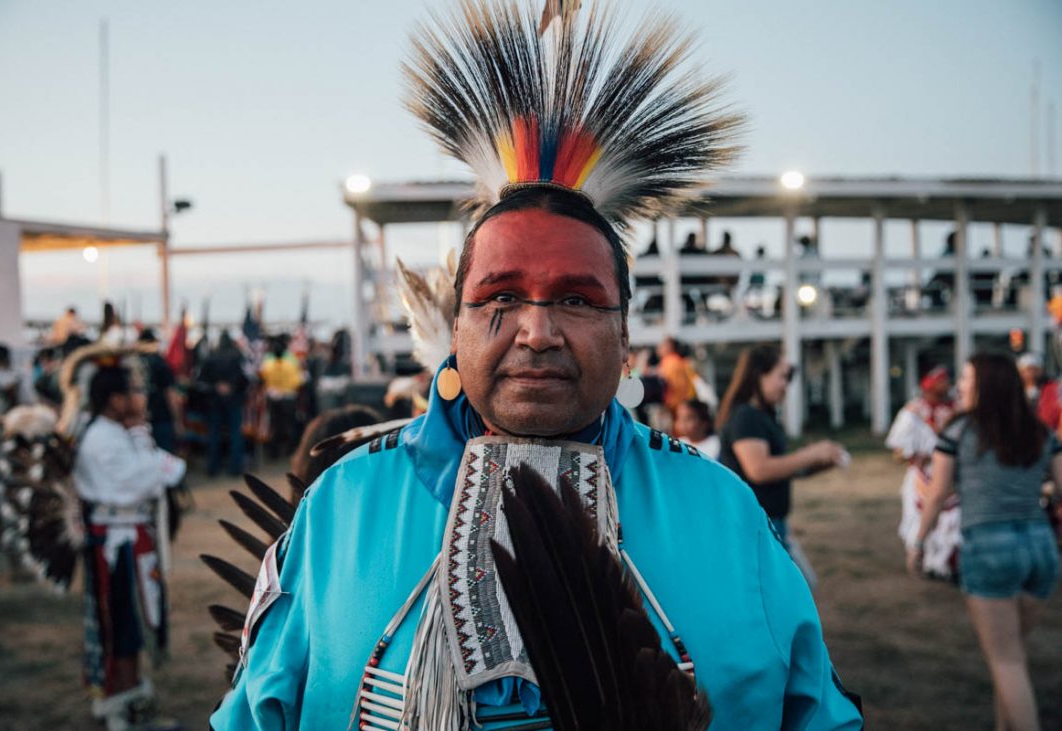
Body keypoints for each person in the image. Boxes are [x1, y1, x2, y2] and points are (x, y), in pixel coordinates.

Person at [212, 3, 860, 728]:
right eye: (501, 295)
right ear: (452, 327)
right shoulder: (343, 507)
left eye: (577, 300)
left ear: (623, 336)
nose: (537, 330)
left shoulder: (724, 514)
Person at [910, 353, 1061, 731]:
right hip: (1041, 547)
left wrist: (918, 543)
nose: (959, 386)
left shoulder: (959, 431)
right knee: (1011, 658)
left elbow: (938, 492)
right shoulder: (1040, 430)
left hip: (990, 547)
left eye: (966, 378)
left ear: (985, 385)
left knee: (1006, 662)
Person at [74, 364, 185, 730]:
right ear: (115, 400)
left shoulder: (112, 431)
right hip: (116, 544)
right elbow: (145, 480)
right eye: (134, 392)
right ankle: (122, 706)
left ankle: (130, 698)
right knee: (123, 624)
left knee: (130, 622)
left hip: (126, 538)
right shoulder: (104, 438)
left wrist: (145, 448)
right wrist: (145, 446)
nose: (141, 399)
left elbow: (162, 472)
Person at [717, 345, 845, 542]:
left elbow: (778, 471)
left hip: (769, 523)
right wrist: (810, 455)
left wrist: (817, 464)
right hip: (754, 527)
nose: (786, 385)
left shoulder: (763, 416)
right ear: (760, 375)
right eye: (782, 376)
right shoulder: (746, 417)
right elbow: (759, 470)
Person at [886, 365, 960, 579]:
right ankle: (926, 561)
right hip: (921, 477)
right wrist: (923, 457)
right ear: (931, 384)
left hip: (952, 477)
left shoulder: (957, 408)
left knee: (951, 521)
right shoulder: (913, 411)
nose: (947, 385)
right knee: (921, 518)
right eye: (942, 380)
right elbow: (898, 453)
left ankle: (947, 563)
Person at [198, 332, 249, 476]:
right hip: (234, 400)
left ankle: (212, 468)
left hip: (214, 402)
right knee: (235, 434)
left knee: (213, 434)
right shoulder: (238, 356)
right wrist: (232, 387)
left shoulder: (210, 357)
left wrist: (216, 387)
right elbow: (246, 378)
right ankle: (235, 469)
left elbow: (201, 381)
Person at [259, 335, 304, 459]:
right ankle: (290, 451)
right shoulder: (292, 362)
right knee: (289, 426)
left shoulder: (267, 363)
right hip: (289, 398)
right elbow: (298, 381)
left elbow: (262, 378)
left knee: (274, 426)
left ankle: (274, 452)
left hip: (273, 399)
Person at [139, 329, 181, 454]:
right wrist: (177, 420)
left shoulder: (134, 363)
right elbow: (171, 394)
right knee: (163, 456)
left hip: (140, 420)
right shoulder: (161, 364)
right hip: (161, 418)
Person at [656, 336, 696, 418]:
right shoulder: (679, 361)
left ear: (669, 347)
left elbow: (667, 385)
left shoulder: (669, 362)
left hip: (673, 405)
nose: (659, 348)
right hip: (682, 404)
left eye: (662, 345)